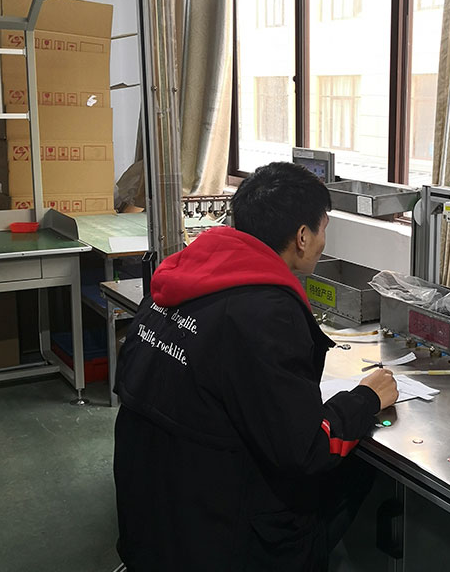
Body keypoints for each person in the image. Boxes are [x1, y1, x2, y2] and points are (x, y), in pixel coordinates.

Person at [113, 161, 399, 571]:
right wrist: (366, 398)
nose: (323, 241)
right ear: (302, 237)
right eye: (323, 228)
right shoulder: (266, 312)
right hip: (216, 539)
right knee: (357, 473)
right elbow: (306, 450)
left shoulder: (180, 279)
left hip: (151, 520)